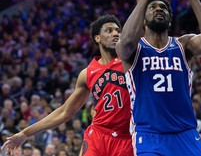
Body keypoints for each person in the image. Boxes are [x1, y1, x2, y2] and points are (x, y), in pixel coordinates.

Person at [116, 0, 201, 155]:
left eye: (163, 8)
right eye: (152, 8)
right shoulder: (135, 49)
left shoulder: (183, 45)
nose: (159, 9)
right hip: (149, 134)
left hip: (185, 133)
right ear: (143, 21)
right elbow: (124, 44)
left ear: (170, 19)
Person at [1, 15, 132, 156]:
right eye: (109, 30)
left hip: (127, 137)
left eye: (118, 31)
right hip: (98, 135)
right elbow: (65, 112)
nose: (115, 34)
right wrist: (25, 133)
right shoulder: (87, 73)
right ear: (97, 38)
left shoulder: (131, 62)